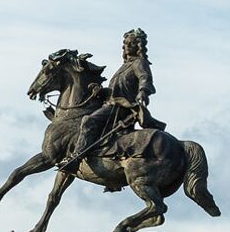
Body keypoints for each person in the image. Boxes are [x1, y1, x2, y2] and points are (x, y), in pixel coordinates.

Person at [61, 29, 165, 170]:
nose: (126, 46)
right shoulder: (124, 66)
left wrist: (143, 91)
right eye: (125, 43)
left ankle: (76, 158)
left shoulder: (139, 63)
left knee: (88, 121)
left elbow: (144, 78)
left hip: (121, 108)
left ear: (138, 46)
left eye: (131, 43)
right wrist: (100, 91)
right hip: (110, 104)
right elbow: (115, 90)